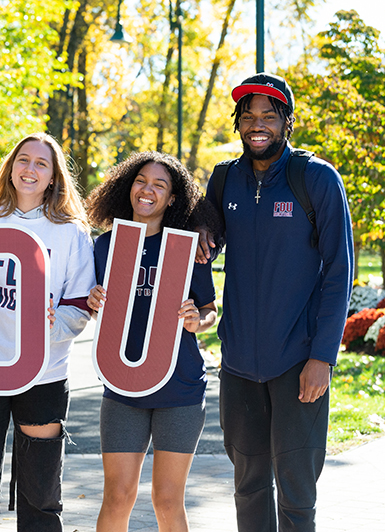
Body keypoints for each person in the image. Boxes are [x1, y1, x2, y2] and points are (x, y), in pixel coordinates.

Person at [197, 73, 354, 531]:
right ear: (238, 124)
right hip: (239, 364)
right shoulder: (225, 179)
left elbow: (339, 271)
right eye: (248, 116)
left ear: (287, 121)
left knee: (297, 491)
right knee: (247, 486)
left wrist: (322, 356)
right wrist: (206, 234)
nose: (257, 124)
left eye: (268, 115)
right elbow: (202, 246)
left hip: (298, 363)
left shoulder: (316, 178)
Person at [0, 133, 96, 532]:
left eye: (42, 164)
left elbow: (79, 309)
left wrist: (46, 325)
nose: (30, 169)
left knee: (40, 488)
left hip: (43, 373)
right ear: (10, 167)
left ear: (54, 177)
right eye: (24, 160)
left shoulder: (72, 233)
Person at [84, 152, 219, 532]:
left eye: (160, 185)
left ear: (173, 199)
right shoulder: (105, 246)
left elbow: (210, 311)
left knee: (167, 500)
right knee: (118, 495)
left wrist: (199, 320)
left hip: (180, 388)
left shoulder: (188, 247)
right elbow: (93, 305)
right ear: (128, 187)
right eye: (142, 180)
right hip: (123, 386)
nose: (148, 190)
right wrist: (92, 301)